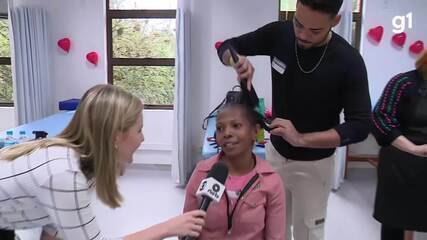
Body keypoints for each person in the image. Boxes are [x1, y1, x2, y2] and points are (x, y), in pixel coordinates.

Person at [216, 0, 372, 239]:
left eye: (315, 30)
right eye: (298, 24)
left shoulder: (349, 62)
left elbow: (360, 126)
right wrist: (236, 61)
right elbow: (227, 46)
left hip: (315, 166)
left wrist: (302, 139)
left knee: (308, 231)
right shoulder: (280, 33)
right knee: (272, 226)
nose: (303, 34)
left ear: (335, 21)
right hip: (275, 157)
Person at [0, 84, 205, 240]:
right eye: (139, 130)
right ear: (116, 136)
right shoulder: (64, 173)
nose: (142, 138)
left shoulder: (82, 168)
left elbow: (51, 234)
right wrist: (168, 228)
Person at [183, 96, 285, 240]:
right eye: (220, 128)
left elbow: (276, 236)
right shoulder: (202, 172)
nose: (226, 133)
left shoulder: (271, 181)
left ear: (255, 131)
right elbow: (185, 228)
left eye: (236, 126)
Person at [371, 50, 427, 240]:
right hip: (400, 164)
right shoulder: (402, 83)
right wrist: (413, 148)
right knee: (394, 221)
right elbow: (380, 117)